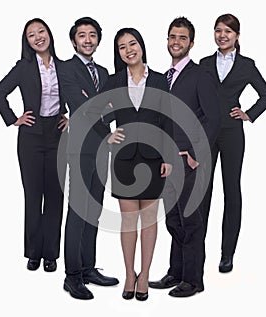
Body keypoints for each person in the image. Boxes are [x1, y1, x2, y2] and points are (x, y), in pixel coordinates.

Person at [92, 27, 173, 301]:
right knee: (128, 222)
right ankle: (129, 273)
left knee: (149, 221)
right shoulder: (114, 82)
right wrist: (107, 134)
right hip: (124, 159)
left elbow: (168, 120)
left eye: (132, 43)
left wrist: (169, 158)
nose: (129, 49)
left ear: (141, 45)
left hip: (153, 159)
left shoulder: (160, 80)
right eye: (122, 47)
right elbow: (93, 110)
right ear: (118, 53)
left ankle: (145, 275)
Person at [148, 16, 220, 297]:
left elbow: (213, 119)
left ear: (191, 43)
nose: (176, 42)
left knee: (190, 220)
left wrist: (196, 155)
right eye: (172, 37)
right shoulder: (164, 77)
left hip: (188, 160)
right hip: (166, 160)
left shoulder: (200, 75)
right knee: (173, 220)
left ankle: (193, 280)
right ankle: (175, 272)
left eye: (181, 38)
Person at [0, 18, 68, 273]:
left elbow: (76, 93)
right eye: (31, 35)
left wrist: (69, 115)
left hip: (57, 134)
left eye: (41, 31)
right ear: (27, 41)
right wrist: (14, 119)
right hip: (31, 136)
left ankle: (51, 254)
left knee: (55, 196)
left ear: (49, 34)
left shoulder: (64, 66)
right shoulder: (23, 67)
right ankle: (34, 252)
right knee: (34, 195)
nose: (37, 37)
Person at [199, 13, 266, 273]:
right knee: (202, 190)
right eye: (218, 30)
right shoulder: (204, 63)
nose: (222, 35)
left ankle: (227, 254)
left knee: (232, 190)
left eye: (228, 31)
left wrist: (248, 114)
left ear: (237, 36)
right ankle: (198, 250)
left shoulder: (246, 65)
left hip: (232, 133)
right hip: (207, 133)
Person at [57, 17, 119, 301]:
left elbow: (114, 106)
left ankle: (88, 267)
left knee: (94, 209)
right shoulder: (66, 68)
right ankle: (72, 276)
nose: (88, 39)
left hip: (103, 146)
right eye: (82, 35)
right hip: (80, 147)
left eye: (92, 35)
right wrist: (100, 104)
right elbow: (79, 106)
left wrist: (101, 105)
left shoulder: (105, 72)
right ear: (73, 41)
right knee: (78, 210)